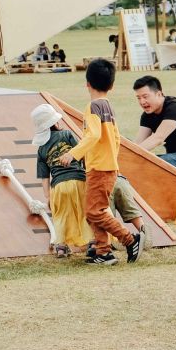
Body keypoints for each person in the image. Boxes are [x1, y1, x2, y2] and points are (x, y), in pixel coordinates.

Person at [57, 58, 144, 266]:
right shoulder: (108, 106)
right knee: (95, 210)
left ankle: (129, 240)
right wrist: (111, 158)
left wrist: (73, 154)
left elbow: (93, 135)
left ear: (87, 83)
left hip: (99, 168)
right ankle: (103, 252)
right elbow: (116, 137)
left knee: (94, 211)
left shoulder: (93, 107)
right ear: (111, 86)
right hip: (108, 166)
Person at [33, 103, 88, 257]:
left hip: (58, 186)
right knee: (83, 212)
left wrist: (48, 197)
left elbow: (44, 177)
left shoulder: (41, 149)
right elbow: (81, 154)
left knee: (61, 216)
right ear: (55, 122)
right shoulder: (66, 135)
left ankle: (61, 247)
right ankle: (91, 243)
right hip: (79, 180)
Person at [132, 75, 176, 173]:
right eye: (138, 98)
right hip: (174, 157)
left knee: (153, 165)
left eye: (145, 97)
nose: (142, 102)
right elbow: (139, 143)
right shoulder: (147, 115)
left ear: (159, 94)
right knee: (142, 161)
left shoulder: (175, 107)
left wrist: (132, 154)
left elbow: (158, 138)